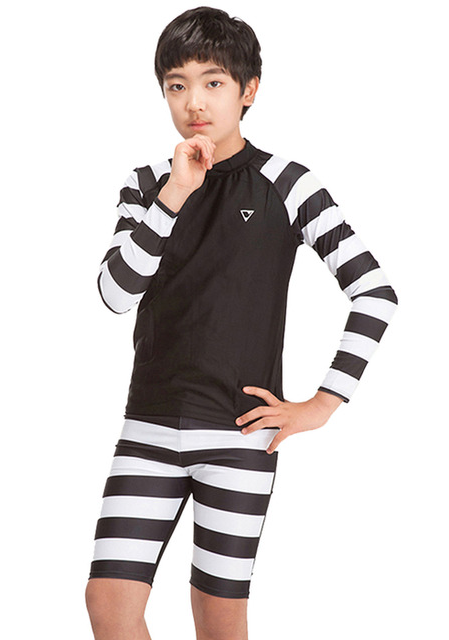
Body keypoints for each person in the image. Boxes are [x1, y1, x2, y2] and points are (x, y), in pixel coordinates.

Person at [85, 6, 398, 640]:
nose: (194, 102)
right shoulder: (147, 185)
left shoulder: (288, 183)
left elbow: (375, 292)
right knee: (108, 605)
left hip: (239, 433)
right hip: (148, 426)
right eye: (177, 85)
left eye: (213, 82)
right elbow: (115, 294)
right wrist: (176, 193)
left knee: (218, 616)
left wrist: (324, 403)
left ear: (247, 90)